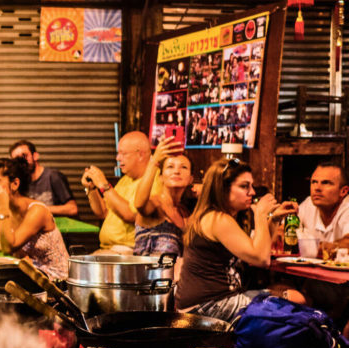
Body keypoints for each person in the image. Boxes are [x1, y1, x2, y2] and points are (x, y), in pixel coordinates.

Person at [174, 159, 299, 322]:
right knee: (295, 300)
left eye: (251, 186)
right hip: (207, 307)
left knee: (288, 293)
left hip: (209, 303)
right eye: (244, 186)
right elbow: (261, 259)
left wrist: (274, 219)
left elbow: (254, 251)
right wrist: (260, 215)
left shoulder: (214, 216)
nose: (252, 192)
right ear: (223, 189)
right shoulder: (218, 219)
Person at [0, 157, 69, 280]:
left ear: (15, 184)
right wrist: (14, 250)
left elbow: (8, 248)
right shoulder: (3, 207)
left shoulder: (37, 210)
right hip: (31, 275)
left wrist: (11, 248)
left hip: (56, 281)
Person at [82, 131, 155, 254]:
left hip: (129, 251)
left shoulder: (152, 180)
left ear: (140, 155)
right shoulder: (126, 179)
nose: (118, 158)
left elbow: (131, 215)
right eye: (118, 153)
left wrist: (104, 185)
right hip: (108, 249)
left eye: (123, 153)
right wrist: (92, 189)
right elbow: (103, 212)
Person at [132, 136, 194, 256]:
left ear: (191, 179)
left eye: (184, 167)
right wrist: (154, 161)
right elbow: (139, 204)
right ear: (161, 177)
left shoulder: (185, 212)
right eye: (170, 167)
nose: (176, 171)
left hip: (177, 273)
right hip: (148, 273)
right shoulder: (155, 204)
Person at [9, 139, 78, 216]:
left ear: (35, 156)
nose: (21, 162)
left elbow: (72, 209)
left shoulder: (53, 176)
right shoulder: (18, 182)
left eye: (24, 156)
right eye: (16, 160)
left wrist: (38, 209)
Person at [297, 160, 349, 259]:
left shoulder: (347, 207)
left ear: (343, 191)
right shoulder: (308, 204)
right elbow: (284, 230)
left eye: (326, 183)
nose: (317, 188)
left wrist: (320, 247)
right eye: (314, 182)